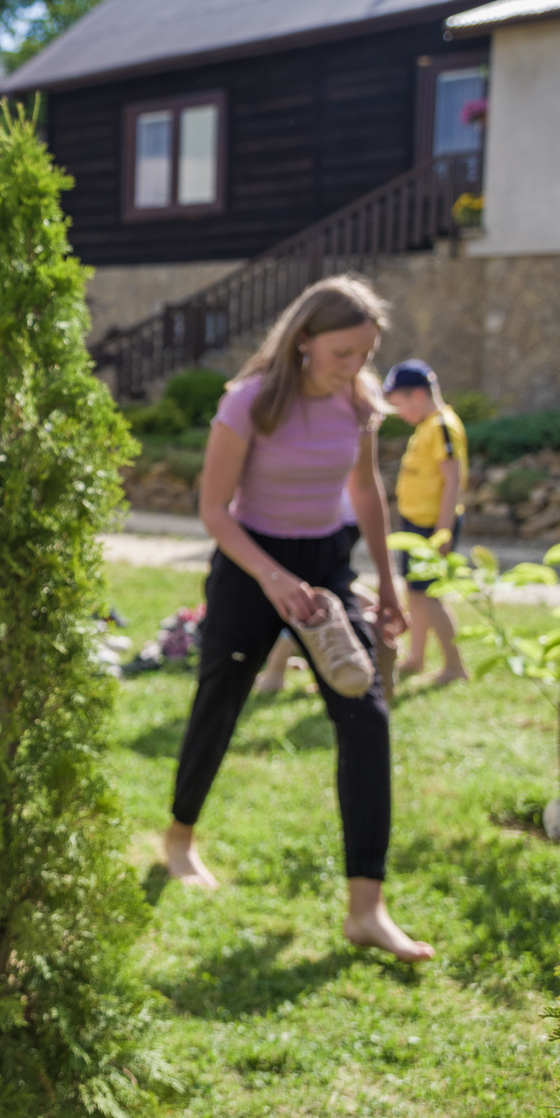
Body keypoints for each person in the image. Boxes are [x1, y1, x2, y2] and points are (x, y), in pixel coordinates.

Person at [164, 274, 431, 963]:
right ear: (304, 340)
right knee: (220, 701)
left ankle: (366, 907)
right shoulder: (249, 402)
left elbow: (365, 492)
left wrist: (388, 583)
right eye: (343, 352)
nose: (355, 367)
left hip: (327, 564)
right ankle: (179, 840)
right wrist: (273, 579)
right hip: (250, 564)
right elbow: (214, 511)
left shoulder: (358, 401)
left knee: (364, 715)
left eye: (364, 354)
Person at [384, 359, 468, 684]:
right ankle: (416, 657)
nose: (399, 414)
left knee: (429, 594)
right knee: (415, 593)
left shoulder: (442, 425)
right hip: (416, 523)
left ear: (418, 395)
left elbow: (452, 481)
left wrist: (442, 531)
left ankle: (454, 666)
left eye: (399, 405)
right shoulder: (427, 424)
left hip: (432, 528)